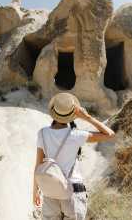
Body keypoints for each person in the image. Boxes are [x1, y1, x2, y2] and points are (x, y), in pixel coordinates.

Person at [33, 92, 115, 220]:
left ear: (53, 111)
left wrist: (35, 193)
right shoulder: (76, 135)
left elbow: (38, 166)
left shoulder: (42, 134)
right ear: (73, 114)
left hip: (50, 192)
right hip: (73, 192)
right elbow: (110, 134)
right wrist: (87, 117)